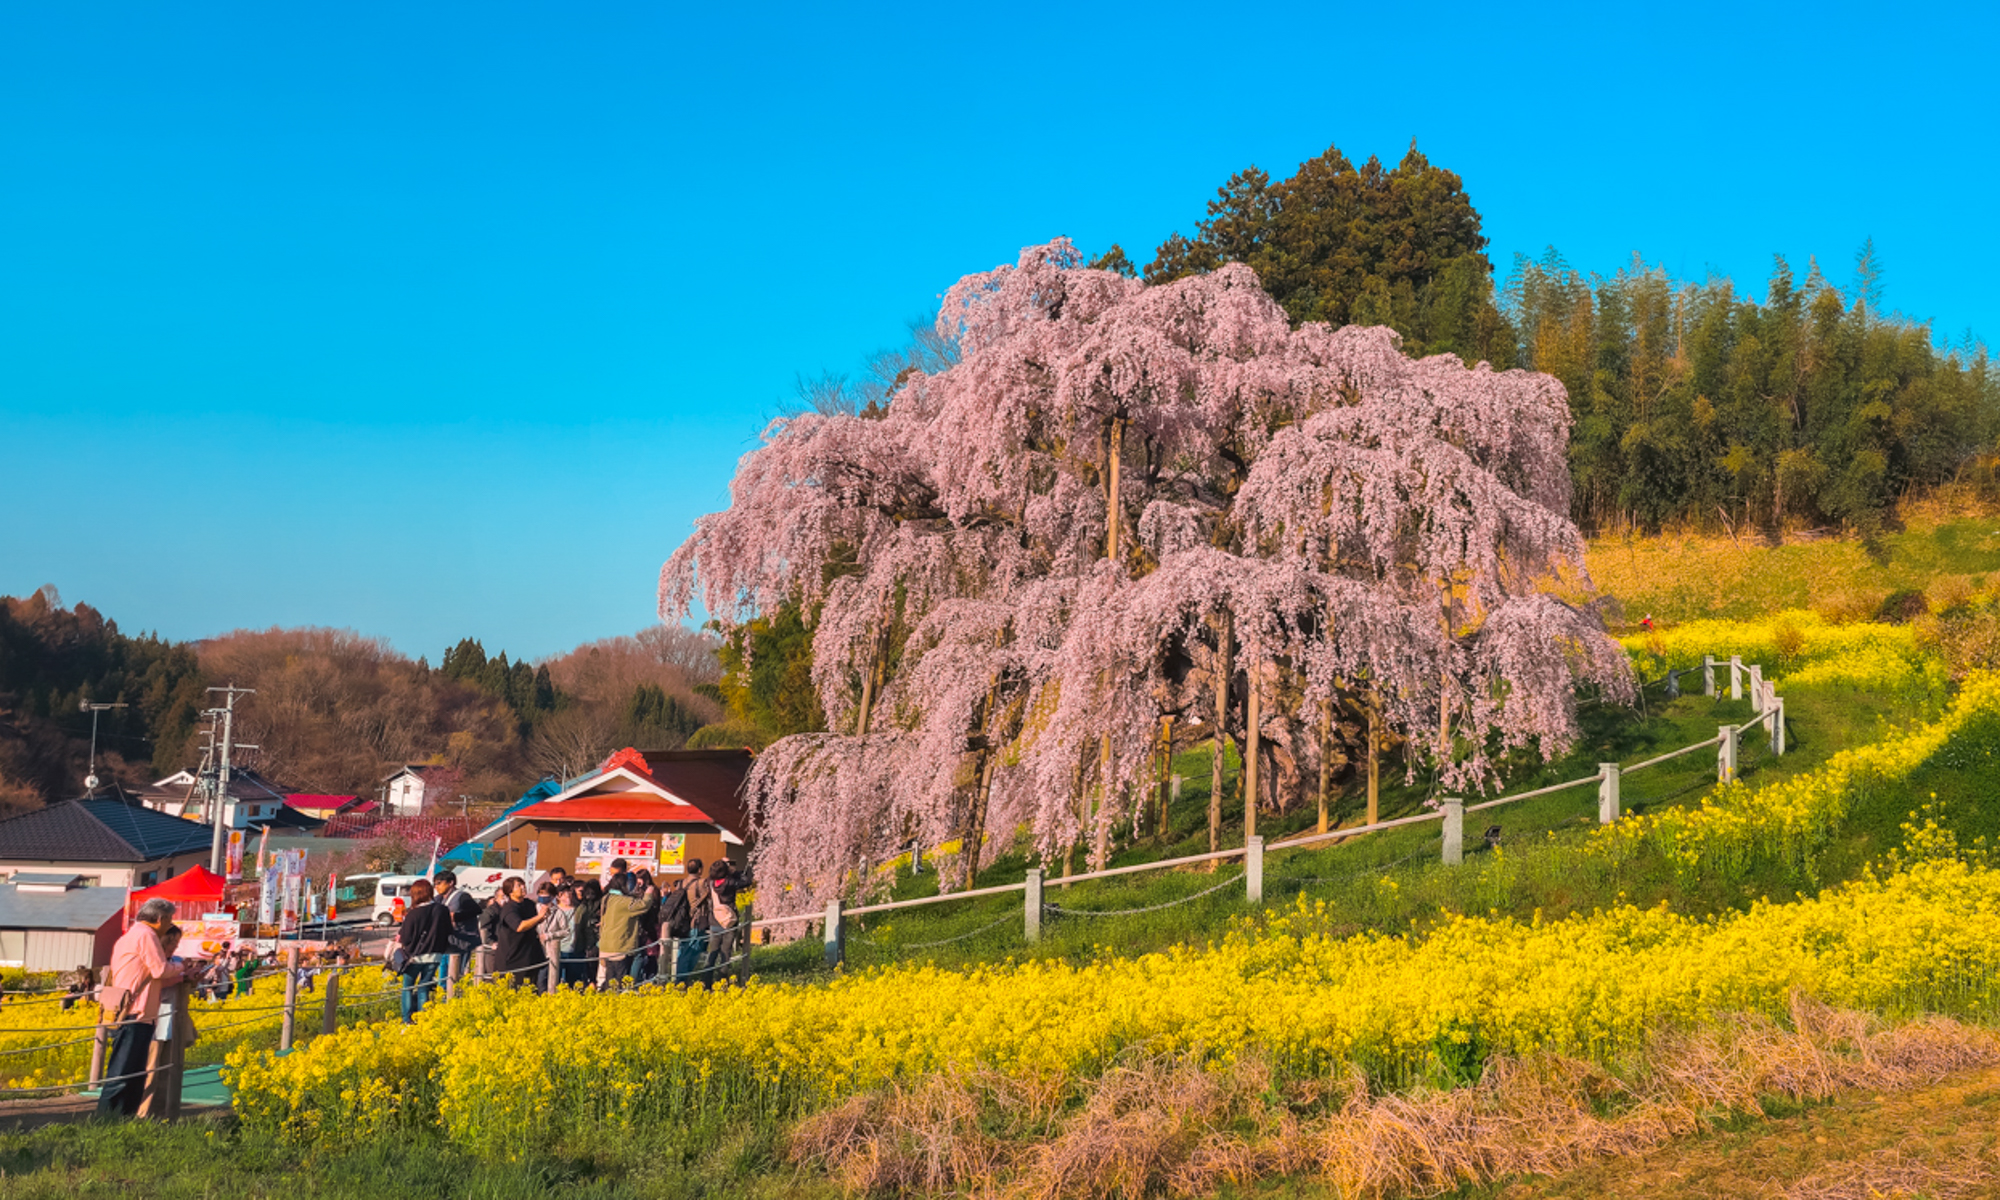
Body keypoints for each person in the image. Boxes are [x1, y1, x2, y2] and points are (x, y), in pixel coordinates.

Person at [96, 898, 185, 1117]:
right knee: (124, 1072)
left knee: (133, 1072)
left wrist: (179, 977)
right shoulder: (147, 935)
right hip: (136, 1012)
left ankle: (119, 1118)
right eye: (169, 920)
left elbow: (150, 976)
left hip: (132, 1011)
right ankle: (107, 1118)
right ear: (161, 918)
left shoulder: (131, 935)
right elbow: (160, 970)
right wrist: (181, 966)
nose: (169, 925)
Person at [396, 878, 451, 1022]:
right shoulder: (443, 910)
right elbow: (449, 931)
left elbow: (405, 938)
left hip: (415, 957)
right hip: (435, 956)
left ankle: (407, 1020)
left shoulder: (413, 914)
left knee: (407, 988)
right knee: (424, 988)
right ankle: (423, 1020)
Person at [596, 874, 655, 987]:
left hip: (606, 945)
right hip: (619, 946)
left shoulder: (607, 898)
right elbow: (644, 905)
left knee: (610, 978)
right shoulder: (624, 902)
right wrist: (648, 893)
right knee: (620, 980)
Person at [491, 877, 546, 985]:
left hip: (530, 955)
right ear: (510, 892)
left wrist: (542, 917)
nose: (523, 887)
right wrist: (539, 917)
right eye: (518, 886)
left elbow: (532, 922)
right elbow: (519, 926)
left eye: (523, 884)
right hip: (512, 958)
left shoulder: (529, 904)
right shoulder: (509, 908)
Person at [435, 869, 482, 987]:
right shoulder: (439, 899)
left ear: (451, 883)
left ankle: (454, 992)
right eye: (435, 884)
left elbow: (476, 910)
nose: (436, 887)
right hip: (446, 942)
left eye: (439, 883)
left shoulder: (462, 896)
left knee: (457, 972)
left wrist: (455, 916)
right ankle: (443, 992)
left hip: (462, 941)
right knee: (443, 971)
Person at [702, 860, 745, 985]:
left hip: (715, 921)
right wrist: (734, 872)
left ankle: (706, 982)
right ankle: (721, 981)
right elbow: (746, 881)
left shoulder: (710, 882)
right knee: (725, 953)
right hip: (728, 922)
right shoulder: (730, 882)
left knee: (712, 952)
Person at [674, 858, 709, 984]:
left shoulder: (681, 883)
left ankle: (681, 978)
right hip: (696, 921)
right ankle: (682, 980)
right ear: (699, 870)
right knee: (693, 951)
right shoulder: (701, 883)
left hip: (682, 922)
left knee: (683, 950)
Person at [537, 885, 577, 992]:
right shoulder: (534, 909)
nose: (542, 897)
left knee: (548, 980)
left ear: (552, 896)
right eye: (540, 894)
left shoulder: (558, 912)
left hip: (551, 951)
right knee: (538, 981)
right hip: (536, 949)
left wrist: (550, 935)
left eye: (545, 895)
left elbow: (566, 931)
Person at [658, 869, 694, 983]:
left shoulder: (673, 896)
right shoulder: (683, 896)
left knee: (674, 952)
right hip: (680, 927)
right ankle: (679, 979)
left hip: (669, 927)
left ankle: (668, 977)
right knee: (683, 951)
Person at [571, 879, 602, 988]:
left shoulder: (583, 906)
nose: (589, 896)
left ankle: (590, 983)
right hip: (591, 941)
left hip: (590, 941)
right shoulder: (586, 906)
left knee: (590, 968)